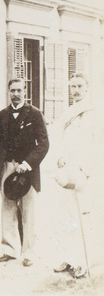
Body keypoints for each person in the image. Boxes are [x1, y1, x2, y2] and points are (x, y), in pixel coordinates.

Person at [52, 73, 103, 279]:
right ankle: (69, 258)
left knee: (84, 216)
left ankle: (83, 261)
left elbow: (98, 144)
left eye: (80, 86)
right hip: (68, 170)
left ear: (87, 88)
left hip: (85, 172)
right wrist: (61, 158)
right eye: (72, 86)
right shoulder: (67, 112)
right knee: (67, 216)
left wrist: (86, 169)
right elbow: (60, 139)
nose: (76, 90)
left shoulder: (95, 112)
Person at [0, 78, 49, 267]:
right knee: (7, 208)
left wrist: (26, 163)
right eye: (12, 90)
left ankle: (29, 253)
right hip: (8, 167)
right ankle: (9, 250)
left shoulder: (35, 114)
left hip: (28, 170)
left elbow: (43, 144)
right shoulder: (2, 115)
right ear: (8, 92)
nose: (15, 94)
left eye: (19, 90)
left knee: (28, 211)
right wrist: (9, 160)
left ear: (25, 91)